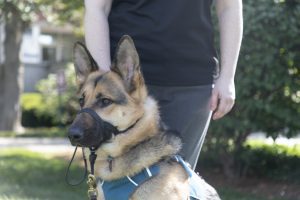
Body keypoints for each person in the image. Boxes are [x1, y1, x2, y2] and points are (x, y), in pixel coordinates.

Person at [84, 0, 243, 170]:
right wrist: (104, 81)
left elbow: (229, 7)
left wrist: (227, 76)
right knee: (117, 184)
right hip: (125, 89)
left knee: (178, 186)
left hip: (193, 82)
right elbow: (97, 8)